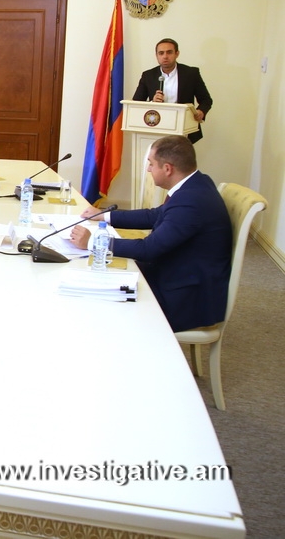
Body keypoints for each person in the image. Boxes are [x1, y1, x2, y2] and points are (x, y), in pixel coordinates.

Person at [70, 135, 231, 332]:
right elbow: (154, 215)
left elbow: (148, 249)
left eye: (151, 164)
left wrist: (93, 242)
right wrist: (104, 215)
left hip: (185, 297)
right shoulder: (197, 183)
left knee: (97, 298)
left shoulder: (191, 201)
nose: (148, 169)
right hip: (175, 272)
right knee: (97, 275)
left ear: (167, 168)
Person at [132, 38, 213, 143]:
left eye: (169, 52)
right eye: (161, 53)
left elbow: (206, 100)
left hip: (183, 128)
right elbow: (136, 103)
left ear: (177, 53)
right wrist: (152, 102)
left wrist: (201, 111)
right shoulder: (148, 75)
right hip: (155, 127)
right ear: (156, 55)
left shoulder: (191, 73)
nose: (165, 56)